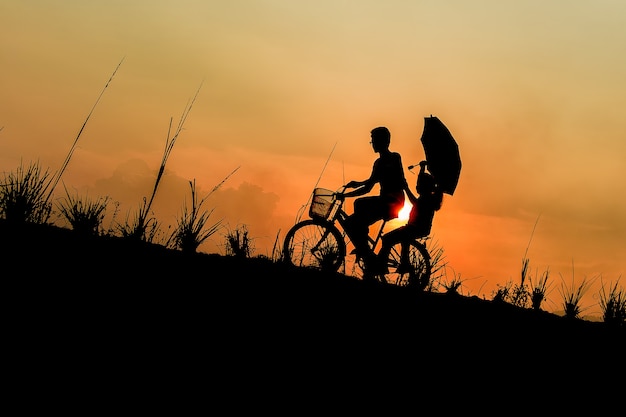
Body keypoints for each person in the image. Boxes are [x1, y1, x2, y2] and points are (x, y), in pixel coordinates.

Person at [339, 126, 408, 272]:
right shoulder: (380, 162)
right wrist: (356, 184)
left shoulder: (393, 158)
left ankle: (366, 253)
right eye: (372, 141)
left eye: (374, 140)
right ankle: (365, 250)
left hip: (392, 202)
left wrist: (347, 195)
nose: (373, 144)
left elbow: (371, 185)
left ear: (384, 141)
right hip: (387, 201)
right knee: (357, 211)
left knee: (356, 216)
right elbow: (369, 183)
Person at [377, 160, 443, 273]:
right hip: (416, 227)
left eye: (419, 185)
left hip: (415, 227)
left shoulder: (427, 199)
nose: (417, 187)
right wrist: (422, 168)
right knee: (404, 239)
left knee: (388, 239)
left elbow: (414, 201)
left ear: (425, 187)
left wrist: (406, 188)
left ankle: (383, 267)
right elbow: (422, 183)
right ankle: (404, 263)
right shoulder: (429, 197)